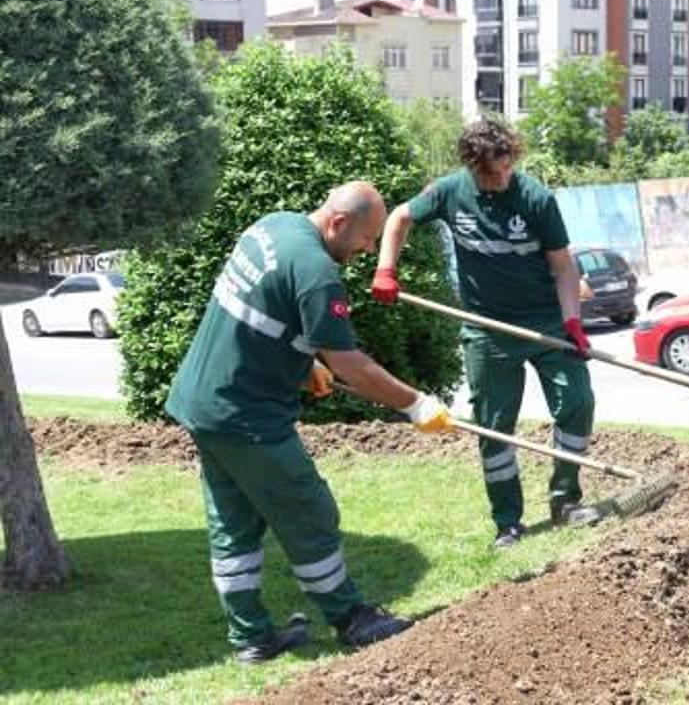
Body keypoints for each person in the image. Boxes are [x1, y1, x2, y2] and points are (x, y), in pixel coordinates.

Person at [166, 182, 452, 664]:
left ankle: (252, 638)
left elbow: (260, 313)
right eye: (366, 239)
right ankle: (351, 619)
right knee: (308, 510)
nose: (368, 251)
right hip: (246, 416)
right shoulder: (318, 273)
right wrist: (415, 404)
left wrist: (304, 365)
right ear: (338, 223)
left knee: (233, 522)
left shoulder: (272, 227)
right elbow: (351, 364)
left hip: (202, 404)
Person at [372, 119, 600, 549]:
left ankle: (566, 499)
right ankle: (508, 522)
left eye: (506, 167)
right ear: (472, 166)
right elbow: (400, 216)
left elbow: (563, 267)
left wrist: (572, 321)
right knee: (494, 426)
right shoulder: (449, 192)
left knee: (577, 403)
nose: (501, 178)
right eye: (491, 174)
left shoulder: (535, 198)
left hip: (546, 322)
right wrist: (386, 269)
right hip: (486, 329)